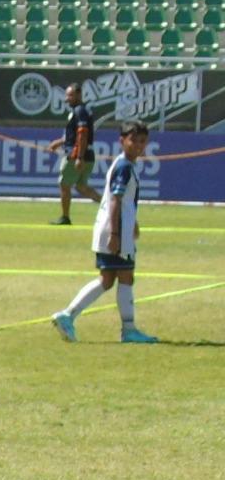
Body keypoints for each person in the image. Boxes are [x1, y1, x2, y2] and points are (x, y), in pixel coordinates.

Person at [51, 120, 158, 344]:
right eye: (133, 140)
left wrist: (133, 222)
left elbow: (121, 200)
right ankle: (128, 330)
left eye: (142, 141)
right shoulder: (124, 167)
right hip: (114, 231)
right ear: (122, 141)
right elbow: (115, 201)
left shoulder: (124, 164)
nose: (138, 145)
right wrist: (116, 235)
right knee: (125, 276)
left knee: (108, 279)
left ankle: (68, 316)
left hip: (112, 228)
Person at [46, 82, 100, 226]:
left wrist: (79, 157)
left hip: (76, 155)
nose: (67, 99)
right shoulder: (83, 111)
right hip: (88, 154)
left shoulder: (79, 111)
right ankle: (109, 207)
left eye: (70, 95)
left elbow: (82, 135)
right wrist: (59, 142)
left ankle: (65, 217)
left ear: (78, 94)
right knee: (82, 187)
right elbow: (74, 136)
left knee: (64, 184)